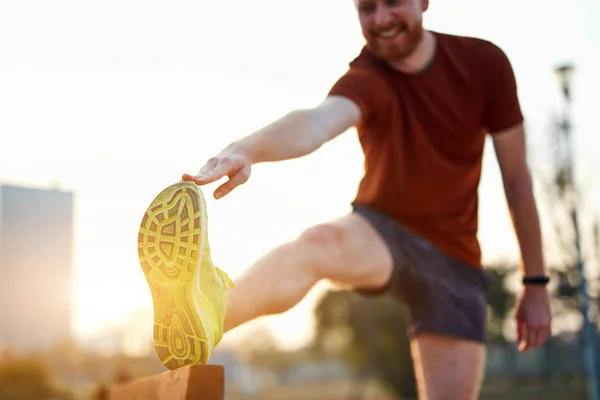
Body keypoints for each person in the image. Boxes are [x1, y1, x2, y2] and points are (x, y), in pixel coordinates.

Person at [137, 0, 552, 398]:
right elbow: (316, 122)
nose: (382, 18)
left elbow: (516, 180)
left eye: (393, 3)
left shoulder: (483, 64)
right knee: (320, 243)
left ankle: (208, 308)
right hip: (382, 230)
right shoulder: (368, 76)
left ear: (424, 1)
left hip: (456, 260)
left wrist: (535, 282)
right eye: (367, 8)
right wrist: (246, 149)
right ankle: (207, 312)